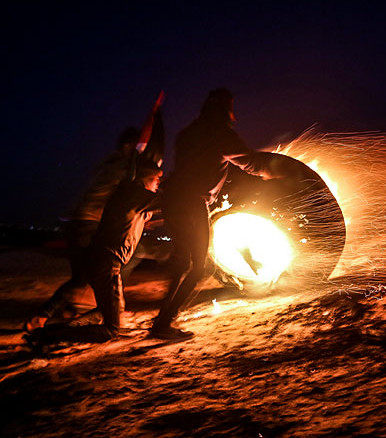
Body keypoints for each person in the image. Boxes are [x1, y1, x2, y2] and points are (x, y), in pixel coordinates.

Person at [150, 88, 274, 340]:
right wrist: (272, 172)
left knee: (184, 262)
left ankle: (162, 320)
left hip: (174, 200)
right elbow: (250, 162)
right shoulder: (220, 134)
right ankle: (163, 323)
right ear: (227, 109)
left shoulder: (188, 133)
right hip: (192, 203)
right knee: (198, 267)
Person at [28, 157, 163, 344]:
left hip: (99, 261)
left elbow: (149, 213)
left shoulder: (131, 196)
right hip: (107, 264)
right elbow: (168, 201)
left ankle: (52, 331)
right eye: (157, 179)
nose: (158, 183)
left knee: (104, 311)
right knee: (111, 329)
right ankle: (47, 336)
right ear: (145, 177)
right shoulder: (135, 194)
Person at [24, 126, 141, 333]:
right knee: (88, 274)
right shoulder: (120, 166)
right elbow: (131, 182)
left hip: (77, 222)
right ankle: (42, 315)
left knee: (85, 274)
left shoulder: (110, 162)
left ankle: (69, 311)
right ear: (127, 146)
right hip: (86, 223)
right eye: (135, 147)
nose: (138, 152)